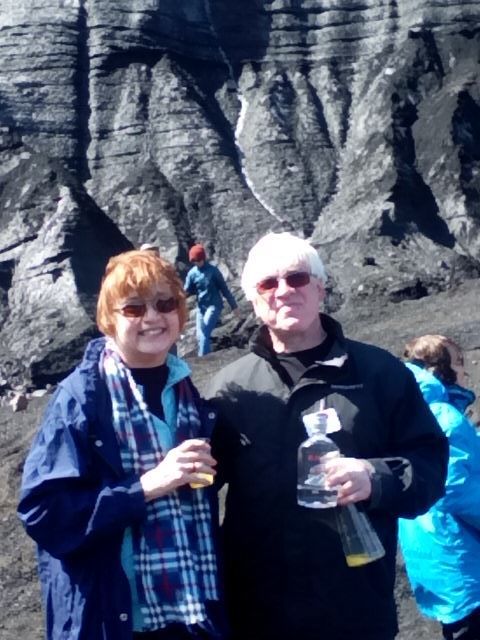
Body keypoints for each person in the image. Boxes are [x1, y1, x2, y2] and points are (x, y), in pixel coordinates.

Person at [206, 231, 448, 640]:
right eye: (268, 283)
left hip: (354, 608)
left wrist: (374, 477)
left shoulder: (379, 372)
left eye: (297, 278)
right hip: (257, 613)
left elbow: (430, 464)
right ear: (253, 298)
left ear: (320, 288)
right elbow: (198, 490)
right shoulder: (229, 389)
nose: (284, 291)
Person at [17, 249, 225, 640]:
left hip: (193, 610)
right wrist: (146, 486)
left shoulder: (186, 394)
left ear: (180, 314)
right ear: (108, 319)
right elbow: (44, 512)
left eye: (165, 304)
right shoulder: (81, 397)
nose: (152, 317)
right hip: (116, 618)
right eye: (133, 308)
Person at [399, 334, 480, 640]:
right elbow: (454, 488)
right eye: (458, 363)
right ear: (436, 369)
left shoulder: (410, 414)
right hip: (462, 555)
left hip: (434, 554)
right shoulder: (443, 415)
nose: (465, 372)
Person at [184, 244, 239, 356]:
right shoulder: (192, 274)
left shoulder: (213, 271)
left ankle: (201, 359)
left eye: (198, 260)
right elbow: (186, 291)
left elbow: (225, 289)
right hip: (201, 307)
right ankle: (208, 356)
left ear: (203, 258)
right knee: (200, 336)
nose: (197, 263)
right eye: (194, 261)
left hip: (214, 306)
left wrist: (234, 306)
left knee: (204, 331)